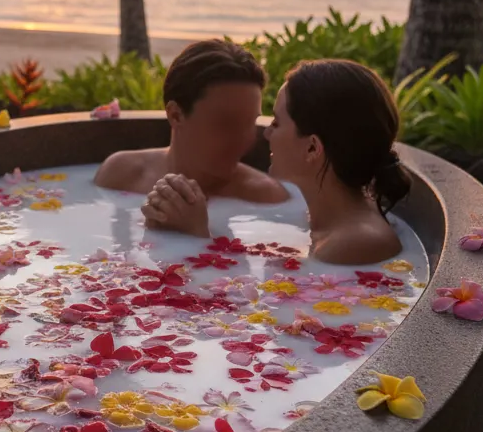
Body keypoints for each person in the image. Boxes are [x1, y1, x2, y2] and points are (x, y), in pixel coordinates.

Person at [143, 59, 411, 265]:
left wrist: (197, 237)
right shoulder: (330, 222)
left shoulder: (353, 243)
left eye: (277, 122)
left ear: (311, 148)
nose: (267, 133)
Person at [94, 39, 287, 204]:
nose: (243, 139)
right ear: (176, 115)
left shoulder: (265, 196)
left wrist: (198, 233)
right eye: (226, 123)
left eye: (250, 123)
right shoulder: (120, 175)